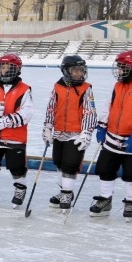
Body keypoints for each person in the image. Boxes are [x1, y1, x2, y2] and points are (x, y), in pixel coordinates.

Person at [90, 50, 132, 221]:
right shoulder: (117, 86)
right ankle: (105, 199)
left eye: (122, 67)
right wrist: (102, 125)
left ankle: (131, 201)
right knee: (105, 168)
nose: (119, 71)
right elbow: (108, 105)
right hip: (113, 135)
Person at [0, 53, 34, 206]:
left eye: (9, 67)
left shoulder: (24, 89)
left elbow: (27, 112)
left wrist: (8, 120)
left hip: (14, 137)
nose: (5, 70)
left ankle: (20, 188)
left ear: (17, 69)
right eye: (2, 67)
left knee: (16, 167)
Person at [43, 55, 97, 210]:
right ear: (66, 71)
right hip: (59, 132)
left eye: (82, 70)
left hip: (76, 133)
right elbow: (51, 108)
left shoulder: (86, 89)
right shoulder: (57, 87)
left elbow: (89, 112)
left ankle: (67, 192)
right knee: (58, 162)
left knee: (70, 164)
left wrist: (86, 133)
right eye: (75, 71)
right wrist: (47, 127)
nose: (79, 74)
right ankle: (63, 190)